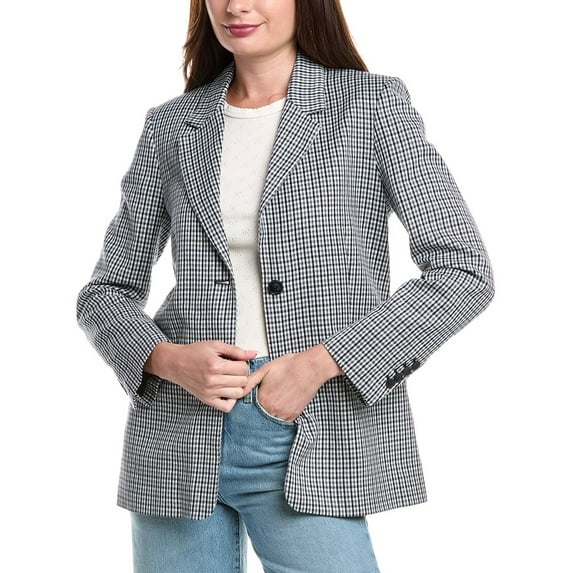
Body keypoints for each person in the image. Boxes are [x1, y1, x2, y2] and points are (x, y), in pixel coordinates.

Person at [77, 0, 494, 570]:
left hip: (309, 424)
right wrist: (166, 359)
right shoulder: (171, 125)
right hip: (179, 433)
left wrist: (323, 364)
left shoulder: (370, 106)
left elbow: (463, 270)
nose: (236, 5)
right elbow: (106, 291)